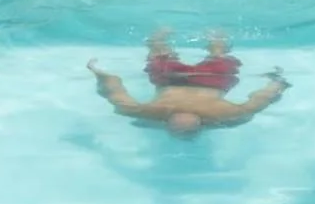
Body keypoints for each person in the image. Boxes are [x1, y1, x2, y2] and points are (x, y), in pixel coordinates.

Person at [88, 30, 290, 136]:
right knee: (160, 52)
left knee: (217, 54)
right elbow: (113, 89)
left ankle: (213, 35)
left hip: (209, 82)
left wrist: (277, 83)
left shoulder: (226, 115)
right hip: (184, 82)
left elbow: (260, 100)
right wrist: (99, 73)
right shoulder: (149, 112)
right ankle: (161, 38)